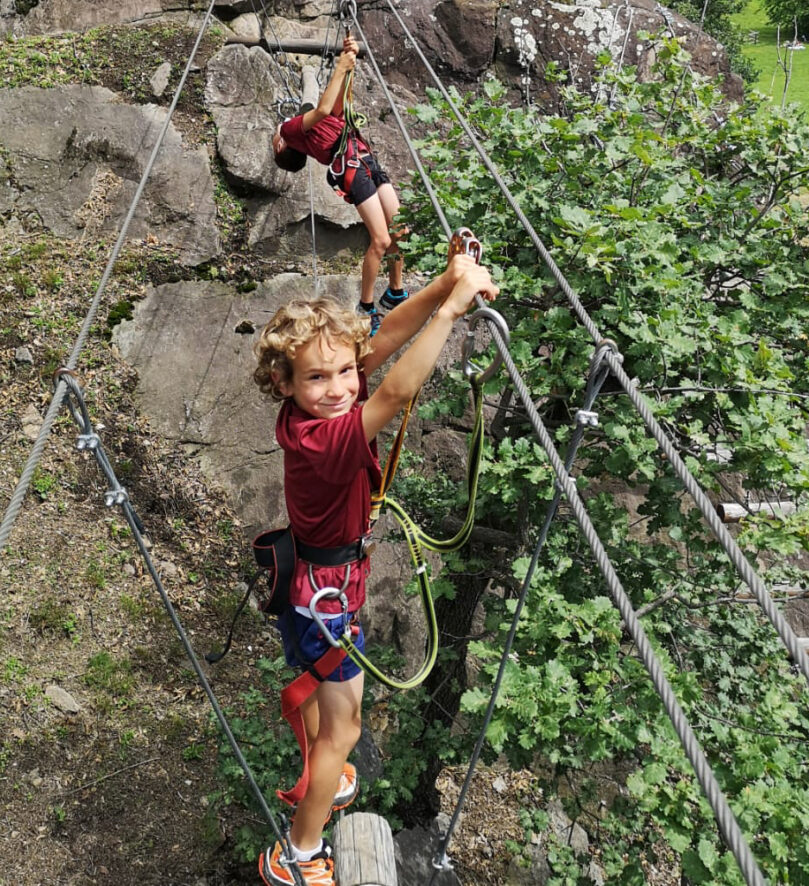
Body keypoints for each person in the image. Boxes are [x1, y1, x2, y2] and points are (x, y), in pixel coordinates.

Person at [252, 252, 499, 885]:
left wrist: (444, 281)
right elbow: (393, 388)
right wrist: (451, 308)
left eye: (342, 372)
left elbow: (382, 341)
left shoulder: (312, 409)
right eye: (318, 379)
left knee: (329, 697)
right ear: (285, 384)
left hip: (318, 582)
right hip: (327, 595)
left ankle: (320, 761)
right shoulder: (327, 440)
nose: (338, 387)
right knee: (348, 728)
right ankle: (300, 853)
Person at [272, 35, 408, 335]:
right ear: (282, 145)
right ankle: (366, 306)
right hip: (352, 169)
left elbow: (339, 104)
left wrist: (351, 64)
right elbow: (320, 109)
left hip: (365, 160)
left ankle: (395, 291)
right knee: (382, 241)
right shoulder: (289, 129)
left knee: (401, 232)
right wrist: (340, 66)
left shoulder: (316, 129)